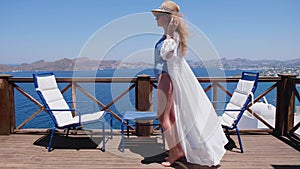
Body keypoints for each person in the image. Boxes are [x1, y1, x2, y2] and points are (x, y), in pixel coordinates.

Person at [152, 0, 228, 167]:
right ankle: (177, 149)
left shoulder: (172, 37)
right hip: (163, 77)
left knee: (162, 117)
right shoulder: (168, 36)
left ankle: (175, 152)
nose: (155, 18)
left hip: (165, 78)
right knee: (170, 117)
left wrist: (170, 33)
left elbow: (166, 54)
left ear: (167, 18)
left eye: (158, 15)